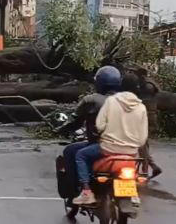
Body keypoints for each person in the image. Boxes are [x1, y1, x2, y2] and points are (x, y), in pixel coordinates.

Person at [72, 70, 149, 205]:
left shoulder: (111, 102)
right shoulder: (141, 107)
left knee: (80, 155)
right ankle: (132, 194)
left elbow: (100, 125)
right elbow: (143, 138)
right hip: (131, 153)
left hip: (108, 149)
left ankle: (86, 192)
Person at [58, 66, 121, 199]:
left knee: (74, 152)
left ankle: (84, 190)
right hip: (128, 147)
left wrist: (61, 130)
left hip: (103, 145)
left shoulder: (91, 100)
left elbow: (75, 122)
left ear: (98, 83)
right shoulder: (129, 101)